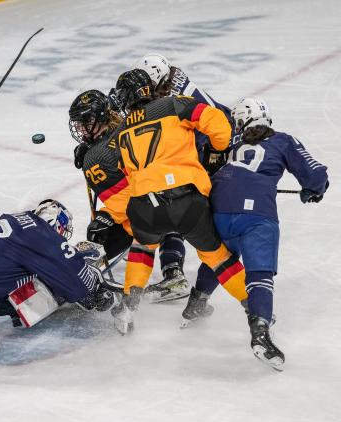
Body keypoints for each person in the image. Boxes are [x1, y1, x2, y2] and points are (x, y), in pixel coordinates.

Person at [188, 98, 328, 370]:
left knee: (220, 258)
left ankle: (196, 304)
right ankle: (260, 331)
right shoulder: (283, 140)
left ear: (240, 122)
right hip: (256, 217)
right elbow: (315, 175)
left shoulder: (229, 143)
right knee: (259, 274)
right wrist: (316, 189)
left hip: (218, 211)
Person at [106, 69, 248, 332]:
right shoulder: (173, 104)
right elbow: (219, 125)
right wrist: (216, 153)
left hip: (144, 206)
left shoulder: (120, 131)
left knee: (142, 248)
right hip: (186, 200)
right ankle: (255, 310)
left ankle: (129, 305)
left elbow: (125, 173)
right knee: (218, 257)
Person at [0, 200, 123, 388]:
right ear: (57, 223)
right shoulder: (43, 234)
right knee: (46, 284)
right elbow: (76, 279)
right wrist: (100, 292)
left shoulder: (19, 221)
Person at [70, 90, 190, 304]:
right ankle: (172, 273)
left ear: (98, 119)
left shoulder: (103, 154)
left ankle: (172, 274)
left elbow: (135, 191)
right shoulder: (123, 128)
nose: (79, 128)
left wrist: (107, 216)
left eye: (83, 121)